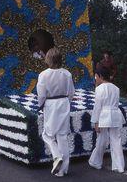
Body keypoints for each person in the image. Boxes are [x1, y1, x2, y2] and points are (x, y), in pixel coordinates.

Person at [36, 47, 75, 177]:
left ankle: (57, 156)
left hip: (51, 105)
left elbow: (41, 95)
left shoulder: (43, 74)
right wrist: (66, 101)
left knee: (47, 135)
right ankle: (63, 170)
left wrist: (40, 105)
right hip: (64, 103)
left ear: (48, 59)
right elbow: (71, 92)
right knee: (62, 136)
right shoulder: (67, 73)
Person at [88, 67, 125, 173]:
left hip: (104, 115)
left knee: (101, 139)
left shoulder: (99, 89)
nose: (95, 79)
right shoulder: (116, 88)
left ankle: (96, 162)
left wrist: (95, 121)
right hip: (115, 114)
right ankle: (119, 166)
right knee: (116, 140)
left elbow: (97, 107)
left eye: (96, 76)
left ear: (101, 76)